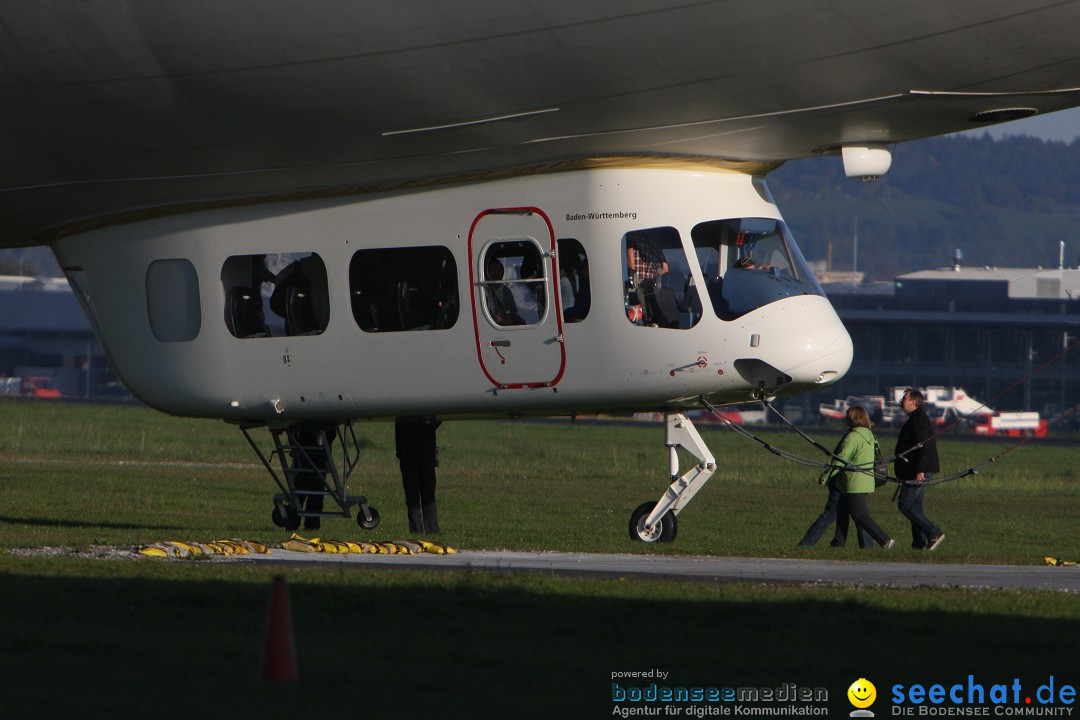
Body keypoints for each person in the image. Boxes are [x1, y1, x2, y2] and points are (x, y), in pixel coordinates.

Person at [817, 406, 895, 549]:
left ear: (853, 418)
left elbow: (840, 459)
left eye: (848, 415)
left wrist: (825, 476)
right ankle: (838, 544)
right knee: (842, 511)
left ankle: (884, 540)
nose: (846, 418)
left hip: (854, 481)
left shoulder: (852, 436)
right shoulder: (870, 435)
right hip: (866, 479)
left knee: (859, 514)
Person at [894, 389, 946, 550]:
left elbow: (924, 445)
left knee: (905, 505)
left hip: (918, 471)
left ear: (913, 402)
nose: (901, 400)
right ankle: (919, 544)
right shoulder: (916, 418)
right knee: (915, 506)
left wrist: (920, 469)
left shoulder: (918, 419)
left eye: (904, 398)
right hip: (916, 469)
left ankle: (934, 532)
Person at [395, 417, 442, 534]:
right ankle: (431, 529)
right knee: (427, 494)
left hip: (410, 450)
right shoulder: (427, 411)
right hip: (423, 448)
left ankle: (417, 530)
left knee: (414, 495)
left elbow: (399, 426)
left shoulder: (403, 410)